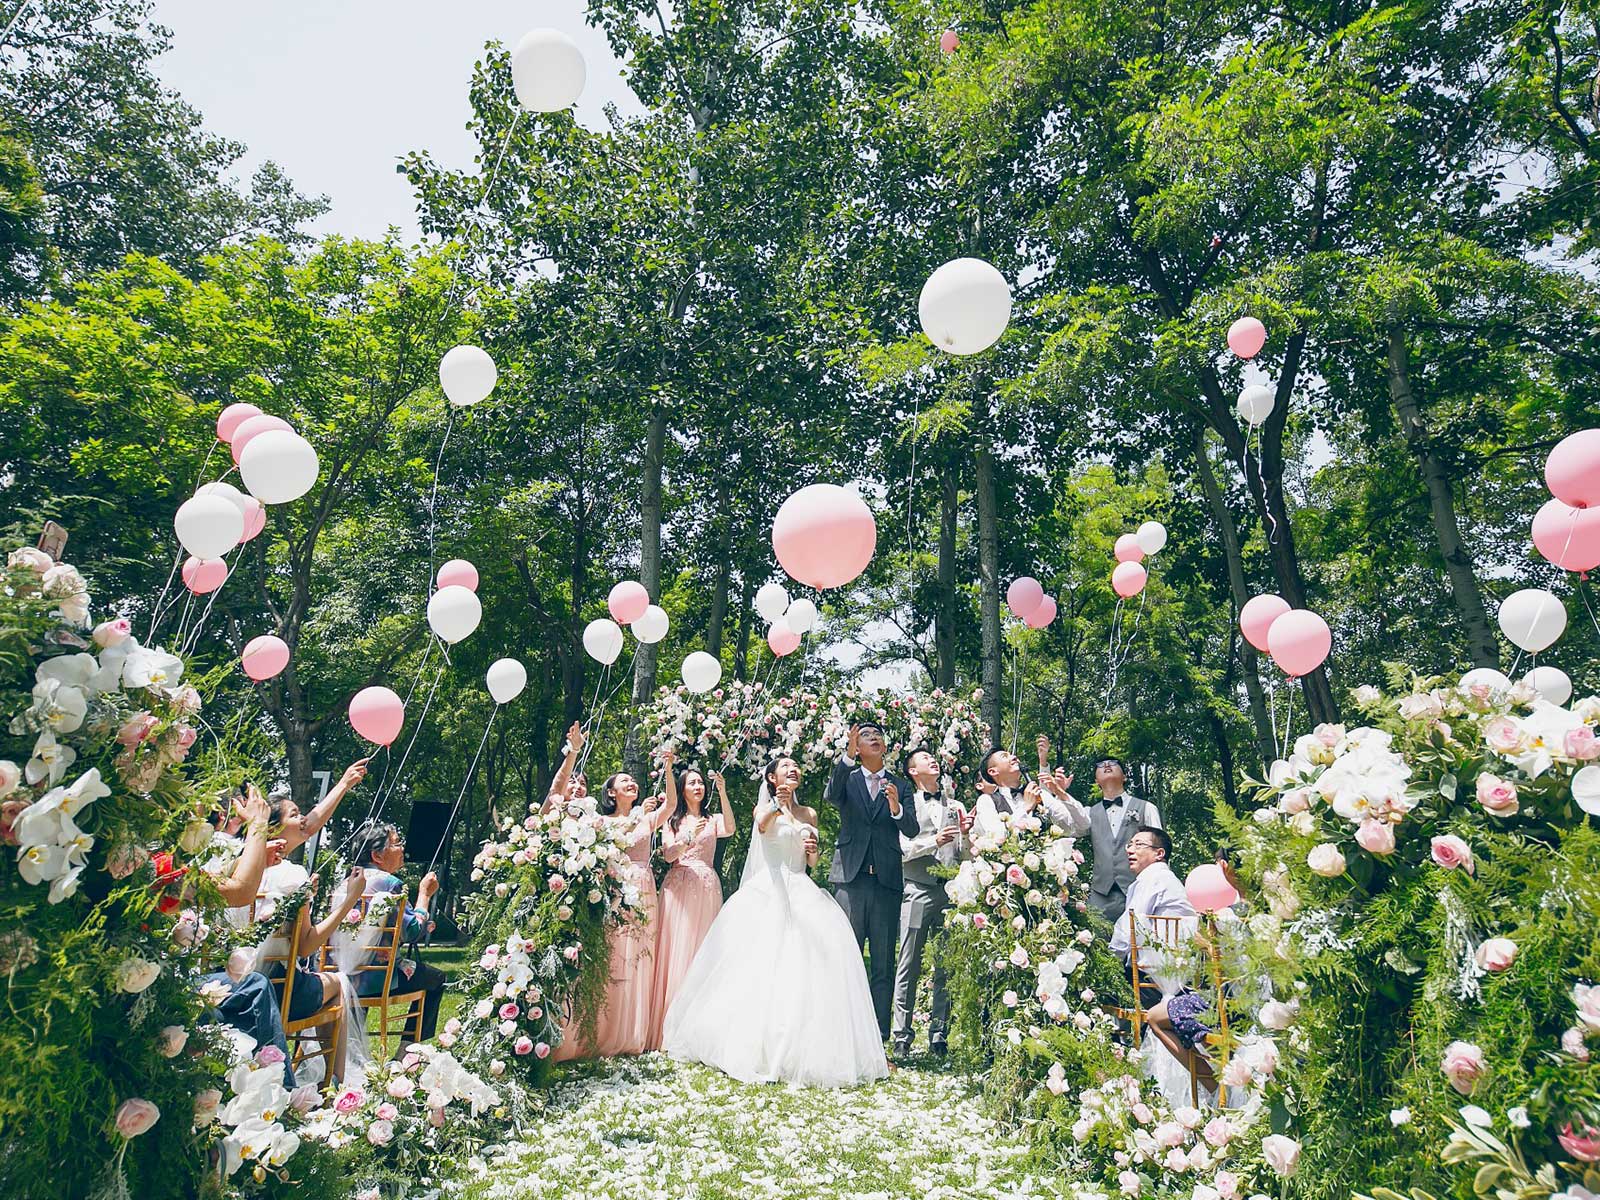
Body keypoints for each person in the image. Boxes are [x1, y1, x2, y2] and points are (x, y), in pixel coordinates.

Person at [663, 755, 890, 1086]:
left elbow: (810, 859)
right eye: (785, 766)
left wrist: (812, 849)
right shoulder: (763, 809)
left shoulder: (809, 813)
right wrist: (776, 805)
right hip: (769, 889)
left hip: (802, 886)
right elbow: (762, 827)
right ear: (771, 778)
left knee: (805, 966)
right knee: (761, 964)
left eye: (795, 765)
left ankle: (804, 1044)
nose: (793, 769)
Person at [555, 765, 676, 1060]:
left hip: (644, 889)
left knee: (638, 958)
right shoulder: (600, 820)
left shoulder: (647, 818)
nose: (632, 783)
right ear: (611, 792)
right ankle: (601, 1030)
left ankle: (632, 1034)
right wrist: (632, 821)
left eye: (633, 781)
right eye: (624, 781)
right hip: (615, 889)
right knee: (612, 956)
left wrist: (669, 770)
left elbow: (671, 805)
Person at [824, 721, 920, 1042]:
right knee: (845, 958)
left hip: (885, 884)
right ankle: (840, 1031)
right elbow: (831, 796)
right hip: (850, 882)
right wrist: (846, 758)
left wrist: (894, 808)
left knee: (883, 963)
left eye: (878, 735)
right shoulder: (847, 778)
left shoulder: (901, 786)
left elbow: (911, 828)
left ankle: (878, 1036)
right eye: (866, 736)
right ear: (857, 746)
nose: (874, 738)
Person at [649, 753, 734, 1046]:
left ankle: (698, 1025)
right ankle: (669, 1022)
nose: (698, 786)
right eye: (692, 782)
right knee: (677, 948)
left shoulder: (713, 820)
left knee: (702, 948)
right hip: (680, 883)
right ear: (683, 789)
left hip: (708, 885)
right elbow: (668, 855)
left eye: (700, 783)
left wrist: (723, 792)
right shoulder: (672, 820)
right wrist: (686, 837)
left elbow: (731, 829)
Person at [256, 866, 369, 1084]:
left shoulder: (230, 864)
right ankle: (332, 1081)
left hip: (226, 988)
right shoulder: (292, 875)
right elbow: (305, 947)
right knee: (339, 982)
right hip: (281, 997)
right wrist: (350, 899)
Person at [891, 747, 969, 1059]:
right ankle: (902, 1034)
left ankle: (939, 1034)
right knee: (909, 961)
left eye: (932, 758)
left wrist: (965, 835)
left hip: (950, 890)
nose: (932, 760)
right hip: (917, 887)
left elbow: (963, 853)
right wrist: (932, 842)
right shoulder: (904, 806)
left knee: (946, 965)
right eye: (924, 759)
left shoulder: (956, 805)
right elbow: (903, 849)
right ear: (912, 771)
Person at [351, 820, 447, 1046]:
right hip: (376, 976)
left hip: (344, 972)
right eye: (396, 844)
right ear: (377, 855)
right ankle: (407, 1052)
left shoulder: (347, 880)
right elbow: (412, 931)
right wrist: (424, 895)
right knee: (436, 979)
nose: (403, 848)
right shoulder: (389, 883)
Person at [1108, 826, 1194, 1011]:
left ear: (1159, 853)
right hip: (1178, 974)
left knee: (1092, 987)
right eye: (1129, 845)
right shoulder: (1162, 878)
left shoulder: (1154, 878)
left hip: (1155, 978)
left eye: (1139, 845)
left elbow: (1129, 927)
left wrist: (1108, 962)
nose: (1130, 850)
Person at [1086, 756, 1162, 920]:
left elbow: (1159, 851)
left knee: (1139, 942)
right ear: (1096, 780)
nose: (1106, 765)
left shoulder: (1146, 808)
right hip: (1100, 895)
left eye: (1113, 763)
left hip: (1138, 890)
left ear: (1125, 776)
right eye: (1101, 765)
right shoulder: (1088, 813)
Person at [972, 738, 1089, 837]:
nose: (1014, 757)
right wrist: (1026, 807)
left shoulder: (1040, 794)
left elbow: (1081, 826)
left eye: (1012, 754)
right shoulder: (986, 801)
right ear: (993, 771)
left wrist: (1060, 792)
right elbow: (995, 835)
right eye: (1004, 756)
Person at [265, 758, 371, 857]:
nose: (303, 818)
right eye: (294, 815)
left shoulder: (271, 866)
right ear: (271, 830)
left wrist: (344, 784)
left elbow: (309, 827)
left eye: (299, 813)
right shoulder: (261, 868)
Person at [540, 722, 586, 814]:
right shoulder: (552, 811)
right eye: (572, 781)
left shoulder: (590, 818)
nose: (578, 787)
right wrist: (574, 750)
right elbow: (562, 778)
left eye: (583, 784)